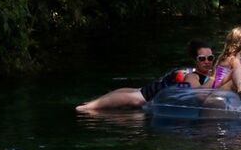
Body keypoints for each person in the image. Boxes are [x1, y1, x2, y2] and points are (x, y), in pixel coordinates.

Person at [75, 40, 215, 112]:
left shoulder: (209, 73)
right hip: (157, 92)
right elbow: (198, 93)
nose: (207, 62)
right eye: (202, 59)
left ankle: (91, 103)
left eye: (210, 58)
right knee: (135, 98)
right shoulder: (193, 76)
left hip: (159, 86)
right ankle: (87, 108)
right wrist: (216, 79)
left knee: (135, 91)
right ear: (195, 60)